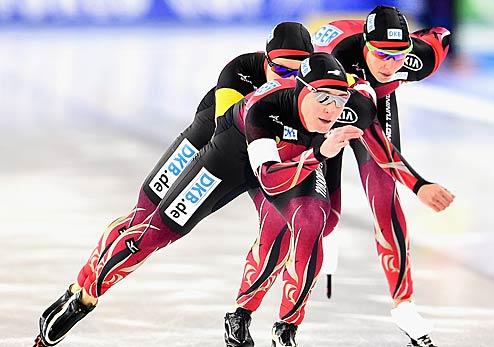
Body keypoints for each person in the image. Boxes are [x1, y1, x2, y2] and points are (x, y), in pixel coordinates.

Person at [33, 21, 314, 347]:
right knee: (144, 221)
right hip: (214, 141)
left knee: (278, 232)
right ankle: (83, 292)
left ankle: (242, 318)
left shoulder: (313, 89)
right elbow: (225, 130)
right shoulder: (240, 71)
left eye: (297, 73)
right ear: (264, 60)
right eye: (279, 68)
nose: (287, 79)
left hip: (267, 154)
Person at [224, 72, 453, 347]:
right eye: (324, 97)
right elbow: (268, 172)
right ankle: (243, 313)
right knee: (283, 225)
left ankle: (285, 327)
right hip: (295, 148)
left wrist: (418, 186)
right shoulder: (278, 100)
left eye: (397, 56)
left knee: (324, 221)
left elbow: (383, 151)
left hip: (326, 143)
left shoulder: (360, 103)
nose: (389, 65)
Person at [311, 5, 453, 346]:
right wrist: (419, 184)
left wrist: (412, 185)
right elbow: (369, 133)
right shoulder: (338, 62)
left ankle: (404, 304)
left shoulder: (419, 60)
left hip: (373, 100)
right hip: (326, 98)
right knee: (324, 204)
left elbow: (442, 37)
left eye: (398, 55)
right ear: (365, 46)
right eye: (382, 55)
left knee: (385, 197)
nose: (391, 65)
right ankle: (322, 250)